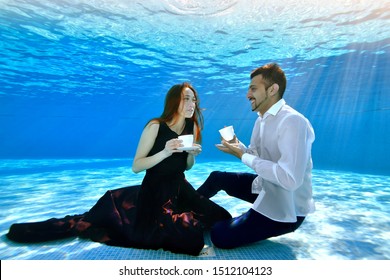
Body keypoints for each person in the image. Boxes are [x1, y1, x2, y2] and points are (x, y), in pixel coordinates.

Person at [7, 82, 232, 256]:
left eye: (194, 99)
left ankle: (181, 214)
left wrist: (191, 156)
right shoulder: (155, 126)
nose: (192, 104)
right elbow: (137, 166)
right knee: (189, 237)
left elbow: (187, 167)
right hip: (155, 192)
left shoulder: (191, 126)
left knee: (221, 217)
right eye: (186, 99)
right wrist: (164, 152)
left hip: (181, 187)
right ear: (174, 101)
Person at [197, 63, 315, 249]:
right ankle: (183, 212)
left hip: (288, 208)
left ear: (272, 89)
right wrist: (238, 147)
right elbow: (255, 156)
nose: (247, 95)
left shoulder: (293, 121)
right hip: (266, 188)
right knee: (216, 178)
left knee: (219, 235)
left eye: (253, 88)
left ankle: (229, 222)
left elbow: (290, 179)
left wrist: (243, 156)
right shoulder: (262, 119)